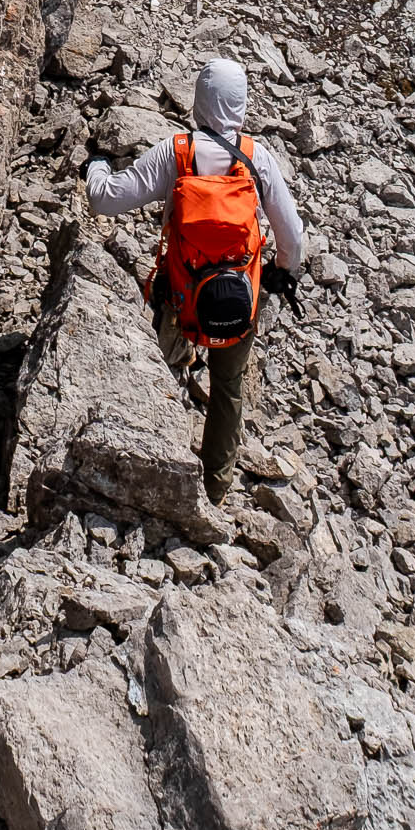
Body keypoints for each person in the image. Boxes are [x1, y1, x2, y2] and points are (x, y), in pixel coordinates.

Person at [84, 54, 304, 504]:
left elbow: (106, 200)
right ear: (241, 103)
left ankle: (154, 455)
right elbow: (293, 236)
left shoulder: (177, 151)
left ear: (199, 100)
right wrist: (281, 270)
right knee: (227, 388)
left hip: (180, 294)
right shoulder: (257, 158)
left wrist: (97, 166)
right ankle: (215, 486)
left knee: (160, 370)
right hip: (241, 297)